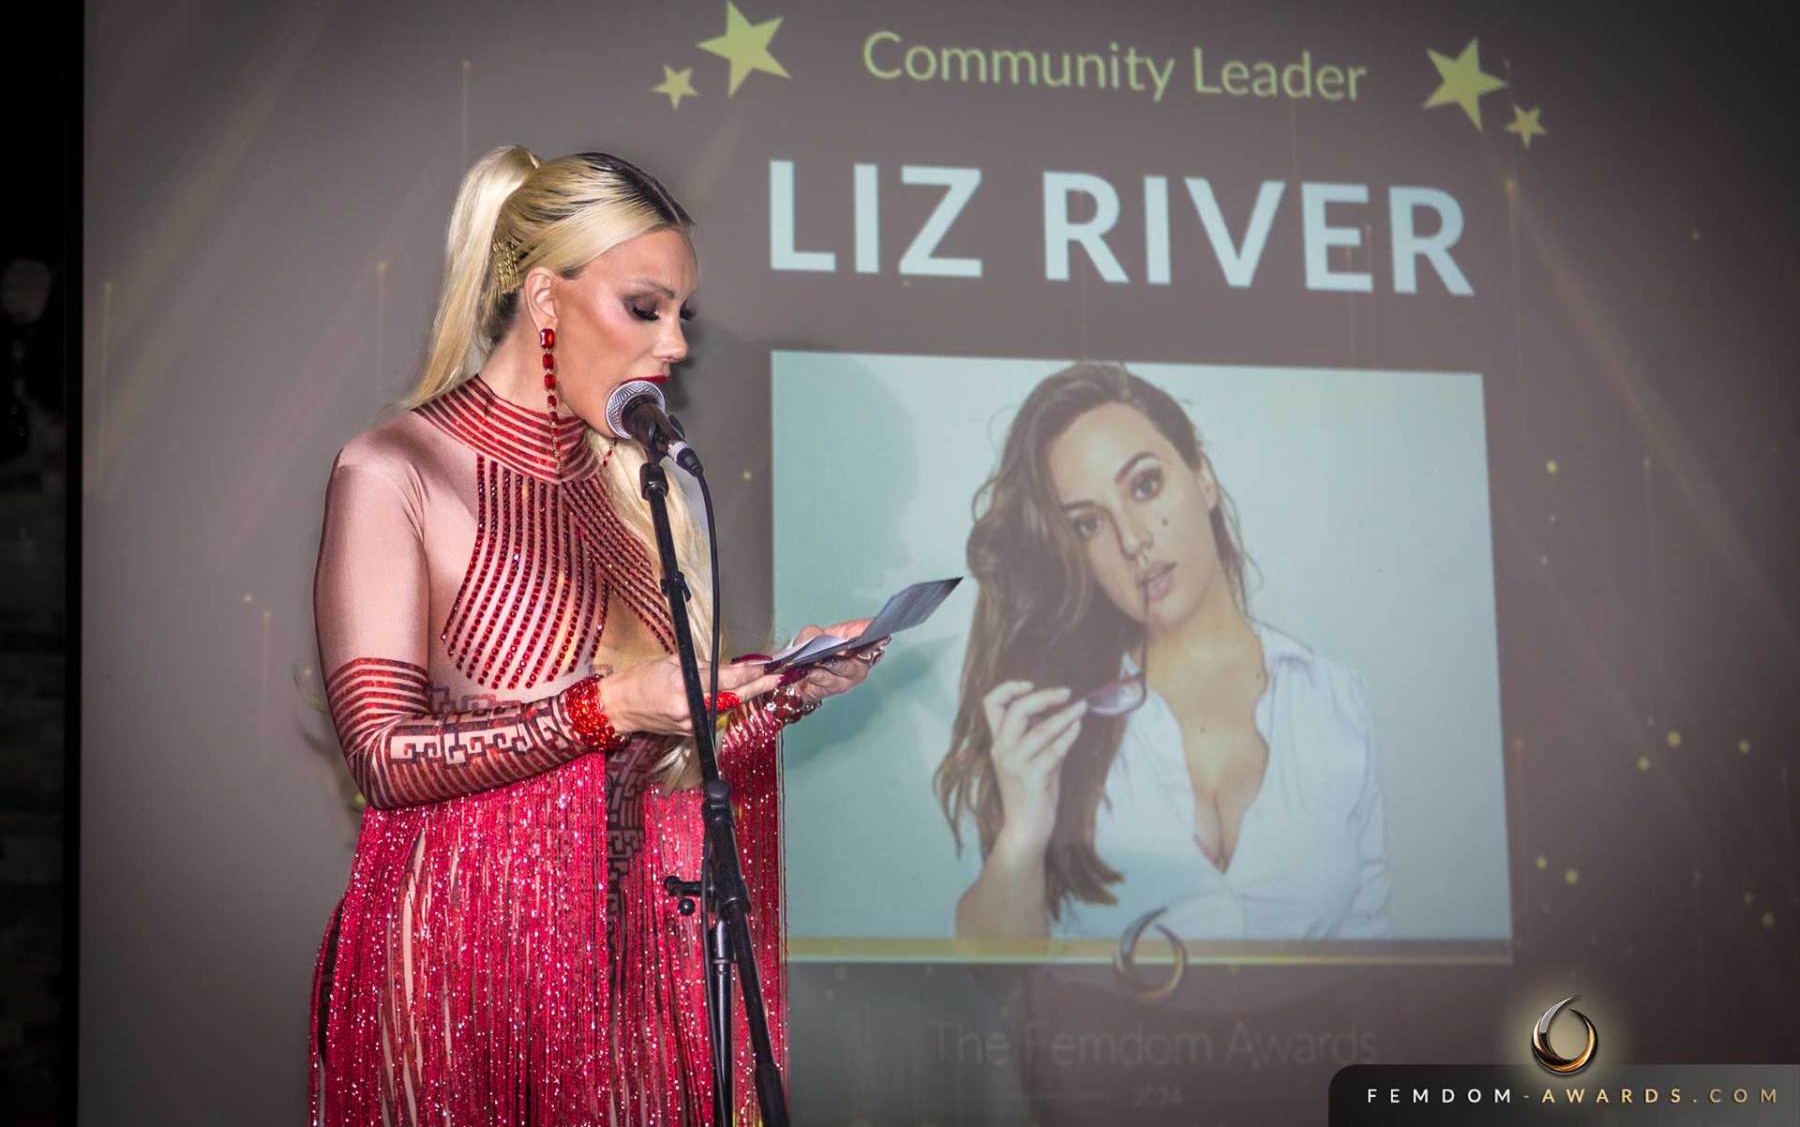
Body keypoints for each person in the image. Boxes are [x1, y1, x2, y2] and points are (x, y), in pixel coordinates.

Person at [307, 145, 887, 1126]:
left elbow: (658, 766)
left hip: (625, 967)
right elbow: (382, 757)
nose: (677, 345)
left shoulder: (639, 487)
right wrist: (605, 706)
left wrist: (781, 687)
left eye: (682, 314)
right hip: (464, 973)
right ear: (545, 297)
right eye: (646, 308)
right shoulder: (395, 469)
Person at [935, 362, 1391, 942]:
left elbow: (1372, 952)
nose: (1132, 540)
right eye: (1088, 525)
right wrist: (1023, 833)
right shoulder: (1055, 726)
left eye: (1145, 486)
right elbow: (994, 972)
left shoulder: (1334, 699)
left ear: (1203, 478)